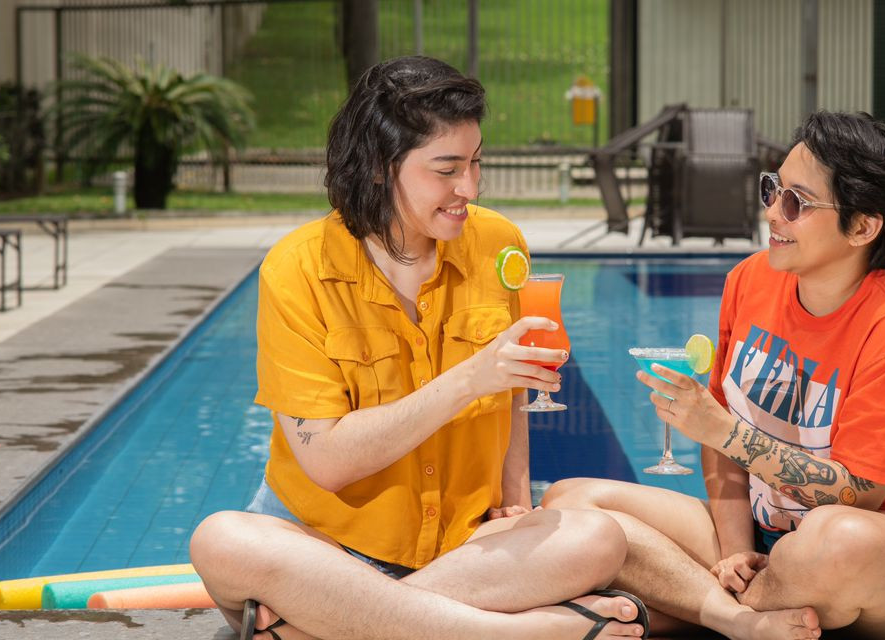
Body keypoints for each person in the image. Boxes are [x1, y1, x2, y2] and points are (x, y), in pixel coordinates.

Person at [190, 56, 650, 640]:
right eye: (447, 168)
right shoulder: (297, 268)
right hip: (321, 545)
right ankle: (522, 633)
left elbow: (513, 393)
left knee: (596, 538)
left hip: (459, 549)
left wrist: (515, 500)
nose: (471, 188)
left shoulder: (498, 245)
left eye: (477, 162)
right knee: (223, 541)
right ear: (382, 168)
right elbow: (327, 463)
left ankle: (322, 627)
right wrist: (468, 379)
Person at [544, 111, 885, 640]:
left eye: (797, 202)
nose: (772, 212)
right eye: (772, 190)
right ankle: (746, 617)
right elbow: (721, 442)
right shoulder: (750, 280)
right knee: (570, 501)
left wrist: (720, 429)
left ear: (862, 226)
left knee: (837, 541)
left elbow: (855, 496)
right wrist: (735, 549)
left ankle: (693, 605)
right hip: (766, 535)